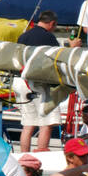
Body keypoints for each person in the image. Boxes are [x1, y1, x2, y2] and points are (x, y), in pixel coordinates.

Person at [16, 9, 62, 152]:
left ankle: (24, 157)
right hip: (38, 84)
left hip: (20, 82)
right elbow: (59, 61)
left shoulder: (23, 36)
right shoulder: (49, 38)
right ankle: (42, 154)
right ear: (52, 23)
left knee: (28, 124)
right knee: (46, 122)